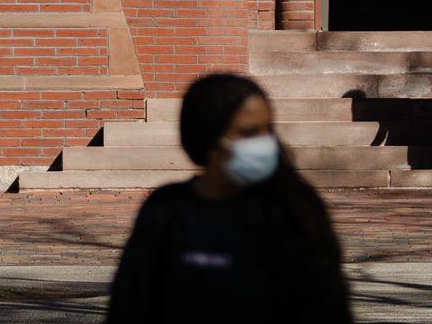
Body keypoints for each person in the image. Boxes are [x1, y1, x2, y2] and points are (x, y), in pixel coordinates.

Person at [106, 73, 351, 322]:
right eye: (248, 133)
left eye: (267, 129)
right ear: (210, 141)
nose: (263, 143)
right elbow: (129, 306)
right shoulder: (166, 212)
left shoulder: (294, 209)